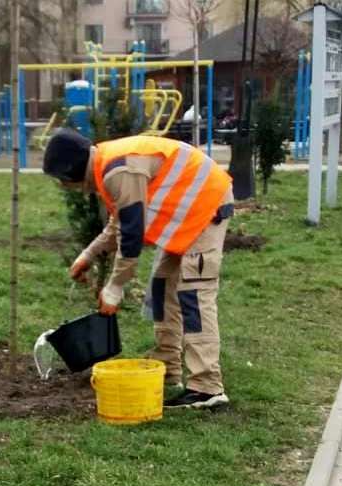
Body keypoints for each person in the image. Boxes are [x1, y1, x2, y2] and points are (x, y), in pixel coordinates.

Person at [43, 128, 234, 409]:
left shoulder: (117, 171)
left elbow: (131, 235)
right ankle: (167, 368)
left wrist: (114, 288)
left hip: (206, 208)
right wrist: (89, 255)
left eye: (61, 179)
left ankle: (207, 388)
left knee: (193, 293)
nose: (62, 186)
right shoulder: (108, 165)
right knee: (161, 288)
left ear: (72, 170)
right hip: (188, 216)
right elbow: (119, 222)